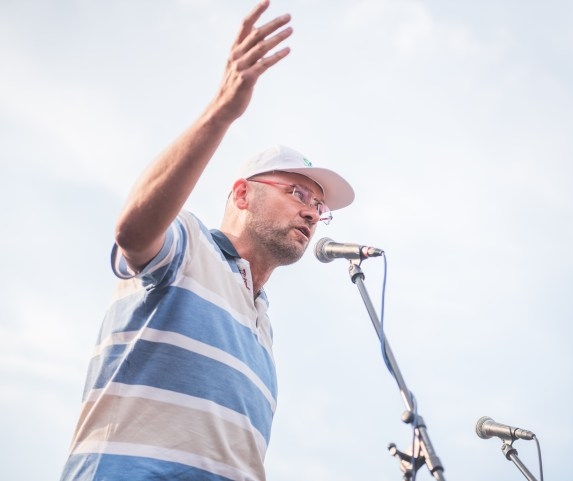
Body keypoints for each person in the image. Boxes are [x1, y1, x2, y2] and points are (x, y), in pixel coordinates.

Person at [60, 2, 354, 480]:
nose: (311, 212)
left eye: (319, 207)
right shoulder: (189, 246)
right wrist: (223, 110)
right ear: (242, 194)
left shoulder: (264, 326)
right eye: (298, 193)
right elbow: (132, 231)